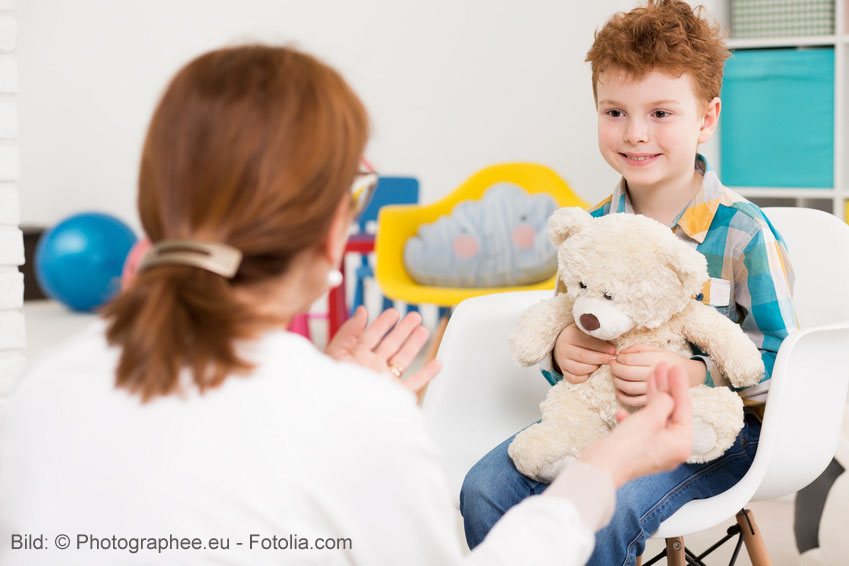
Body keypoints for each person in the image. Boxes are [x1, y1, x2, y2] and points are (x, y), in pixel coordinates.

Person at [0, 45, 693, 566]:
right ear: (334, 225)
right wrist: (602, 468)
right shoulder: (352, 418)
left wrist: (333, 394)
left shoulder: (43, 385)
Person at [459, 1, 798, 564]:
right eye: (614, 112)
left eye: (661, 113)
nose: (635, 133)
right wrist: (563, 349)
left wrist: (697, 371)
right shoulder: (591, 230)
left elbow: (782, 360)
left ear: (707, 118)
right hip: (598, 421)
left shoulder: (742, 233)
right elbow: (563, 327)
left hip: (713, 434)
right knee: (485, 489)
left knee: (607, 510)